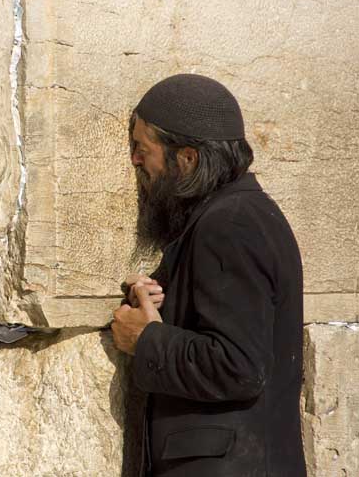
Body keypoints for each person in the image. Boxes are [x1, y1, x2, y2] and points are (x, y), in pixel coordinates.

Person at [110, 74, 306, 477]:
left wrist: (146, 340)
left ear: (187, 159)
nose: (134, 161)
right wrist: (160, 296)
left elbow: (239, 365)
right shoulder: (237, 216)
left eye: (141, 148)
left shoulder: (229, 224)